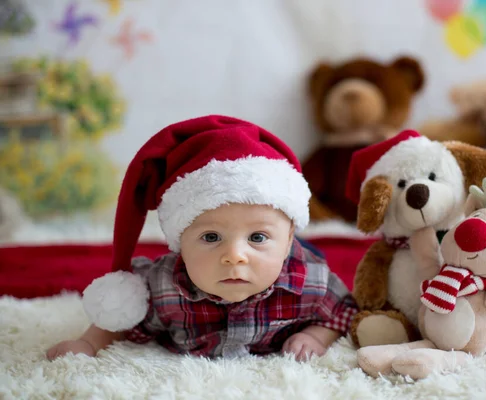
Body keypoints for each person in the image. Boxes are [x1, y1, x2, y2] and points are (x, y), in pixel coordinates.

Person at [46, 115, 357, 361]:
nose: (235, 255)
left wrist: (316, 336)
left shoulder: (311, 283)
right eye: (211, 236)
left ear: (289, 240)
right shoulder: (162, 289)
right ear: (180, 240)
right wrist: (87, 342)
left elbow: (343, 311)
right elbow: (119, 317)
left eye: (258, 237)